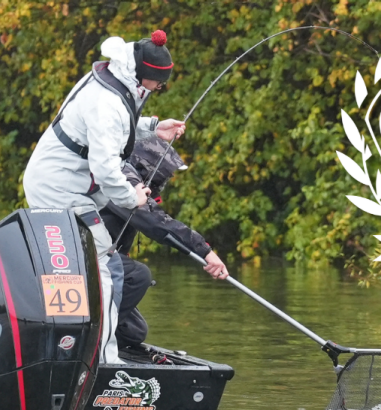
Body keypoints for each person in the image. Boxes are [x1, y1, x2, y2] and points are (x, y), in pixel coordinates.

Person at [23, 30, 185, 363]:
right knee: (104, 269)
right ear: (145, 76)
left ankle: (72, 345)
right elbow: (107, 169)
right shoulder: (108, 101)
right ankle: (103, 360)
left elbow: (117, 126)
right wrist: (132, 197)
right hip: (59, 189)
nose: (158, 89)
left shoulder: (115, 76)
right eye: (160, 84)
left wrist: (154, 127)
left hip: (65, 183)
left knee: (83, 266)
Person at [100, 137, 228, 348]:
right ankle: (95, 338)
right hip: (89, 258)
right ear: (149, 168)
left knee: (134, 331)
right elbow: (156, 223)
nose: (168, 180)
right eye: (167, 174)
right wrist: (204, 251)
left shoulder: (134, 182)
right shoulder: (123, 183)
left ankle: (108, 339)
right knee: (138, 275)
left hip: (106, 261)